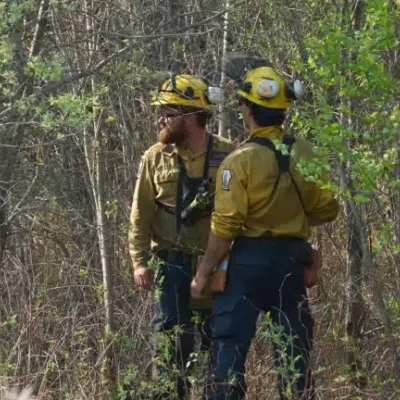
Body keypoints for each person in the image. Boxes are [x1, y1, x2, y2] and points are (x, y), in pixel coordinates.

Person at [189, 64, 340, 399]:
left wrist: (203, 273)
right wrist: (291, 219)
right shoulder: (307, 153)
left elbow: (225, 225)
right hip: (290, 262)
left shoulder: (238, 160)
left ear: (248, 110)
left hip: (245, 263)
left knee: (229, 352)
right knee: (294, 354)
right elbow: (327, 209)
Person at [128, 74, 236, 399]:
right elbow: (140, 214)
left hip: (217, 269)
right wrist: (139, 263)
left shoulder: (229, 156)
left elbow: (240, 216)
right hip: (170, 266)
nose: (161, 119)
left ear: (189, 117)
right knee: (171, 349)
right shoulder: (154, 157)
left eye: (168, 113)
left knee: (218, 350)